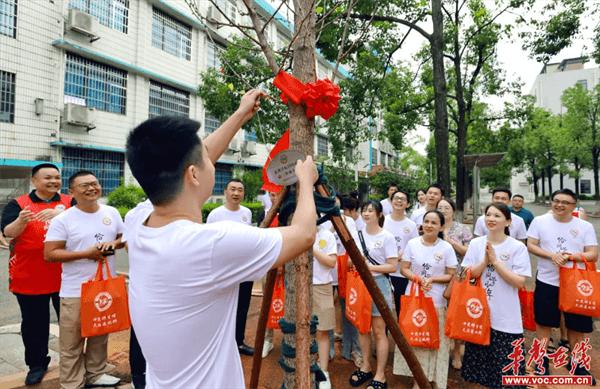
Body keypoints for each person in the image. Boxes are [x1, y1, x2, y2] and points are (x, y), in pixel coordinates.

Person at [123, 90, 319, 388]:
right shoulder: (212, 244)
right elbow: (304, 234)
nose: (210, 159)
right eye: (205, 159)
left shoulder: (138, 220)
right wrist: (306, 180)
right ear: (193, 174)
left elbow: (196, 157)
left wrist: (241, 114)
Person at [44, 170, 125, 389]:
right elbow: (50, 254)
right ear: (71, 192)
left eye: (94, 183)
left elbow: (122, 238)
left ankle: (96, 373)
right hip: (75, 290)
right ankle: (72, 383)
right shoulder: (63, 220)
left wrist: (113, 245)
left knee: (100, 333)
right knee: (72, 341)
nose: (91, 188)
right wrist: (85, 254)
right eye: (84, 185)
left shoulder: (111, 212)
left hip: (105, 286)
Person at [0, 163, 74, 385]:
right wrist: (21, 220)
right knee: (34, 324)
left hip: (67, 275)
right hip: (30, 275)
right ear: (34, 181)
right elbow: (7, 232)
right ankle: (37, 364)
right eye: (47, 178)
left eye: (57, 177)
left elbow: (89, 219)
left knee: (71, 323)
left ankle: (74, 361)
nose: (53, 181)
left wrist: (64, 214)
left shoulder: (71, 202)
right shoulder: (19, 204)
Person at [527, 189, 598, 381]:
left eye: (565, 202)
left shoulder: (584, 226)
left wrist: (570, 256)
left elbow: (593, 254)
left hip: (576, 284)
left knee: (578, 327)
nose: (560, 205)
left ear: (574, 205)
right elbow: (531, 245)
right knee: (544, 323)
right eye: (556, 201)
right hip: (547, 280)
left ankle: (577, 363)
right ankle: (541, 361)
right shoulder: (540, 221)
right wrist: (552, 255)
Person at [461, 202, 531, 388]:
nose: (491, 219)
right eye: (488, 214)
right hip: (478, 314)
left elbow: (519, 282)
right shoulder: (476, 244)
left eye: (497, 216)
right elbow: (467, 275)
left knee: (507, 372)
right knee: (479, 372)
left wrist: (496, 262)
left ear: (508, 221)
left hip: (506, 317)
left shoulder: (517, 247)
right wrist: (484, 261)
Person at [395, 210, 457, 389]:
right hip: (414, 296)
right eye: (426, 221)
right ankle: (418, 379)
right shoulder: (413, 243)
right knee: (416, 337)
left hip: (436, 299)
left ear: (441, 226)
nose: (429, 225)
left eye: (434, 222)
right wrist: (418, 279)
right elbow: (404, 268)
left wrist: (432, 280)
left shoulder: (446, 248)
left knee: (434, 339)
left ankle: (435, 379)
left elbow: (451, 274)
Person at [349, 201, 397, 389]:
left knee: (379, 330)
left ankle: (380, 375)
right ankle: (366, 366)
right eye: (364, 210)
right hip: (360, 285)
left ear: (379, 214)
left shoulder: (387, 237)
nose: (366, 213)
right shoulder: (357, 234)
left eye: (370, 210)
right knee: (362, 328)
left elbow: (392, 266)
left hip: (379, 284)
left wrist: (370, 267)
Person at [206, 178, 255, 356]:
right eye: (232, 189)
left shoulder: (247, 213)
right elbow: (208, 243)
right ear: (226, 192)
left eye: (240, 190)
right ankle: (218, 345)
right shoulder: (215, 215)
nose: (236, 193)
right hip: (223, 271)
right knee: (221, 306)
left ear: (243, 193)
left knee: (242, 306)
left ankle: (238, 342)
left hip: (244, 270)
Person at [437, 198, 472, 369]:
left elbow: (469, 252)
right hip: (436, 277)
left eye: (446, 207)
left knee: (456, 316)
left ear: (453, 210)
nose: (443, 210)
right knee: (439, 315)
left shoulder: (462, 229)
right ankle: (441, 351)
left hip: (457, 277)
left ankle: (457, 351)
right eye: (440, 207)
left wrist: (449, 240)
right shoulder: (432, 224)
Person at [382, 189, 418, 316]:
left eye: (402, 199)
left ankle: (402, 333)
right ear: (391, 202)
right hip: (383, 270)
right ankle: (384, 334)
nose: (398, 201)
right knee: (383, 306)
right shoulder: (383, 221)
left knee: (401, 306)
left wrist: (397, 257)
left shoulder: (411, 225)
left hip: (401, 273)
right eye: (396, 198)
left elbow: (413, 246)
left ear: (407, 204)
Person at [311, 224, 338, 389]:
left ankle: (323, 372)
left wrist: (311, 247)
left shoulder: (326, 235)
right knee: (301, 330)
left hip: (322, 286)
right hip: (299, 285)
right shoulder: (295, 230)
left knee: (322, 330)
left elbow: (331, 262)